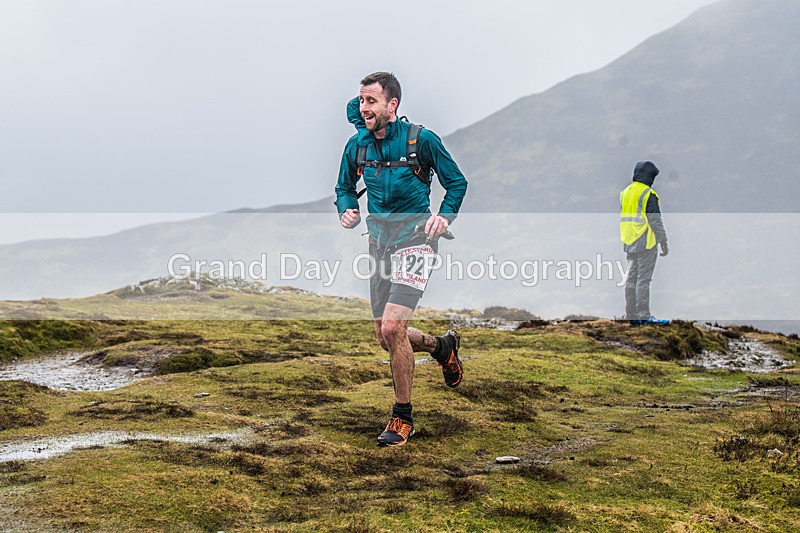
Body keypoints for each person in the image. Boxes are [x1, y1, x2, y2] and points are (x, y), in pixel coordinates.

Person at [335, 72, 468, 446]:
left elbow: (456, 181)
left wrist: (445, 215)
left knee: (393, 329)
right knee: (385, 336)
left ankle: (402, 418)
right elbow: (344, 187)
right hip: (378, 244)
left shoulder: (421, 140)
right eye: (361, 101)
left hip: (416, 241)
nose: (364, 108)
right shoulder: (356, 146)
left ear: (392, 105)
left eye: (372, 101)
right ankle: (443, 347)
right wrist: (347, 209)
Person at [620, 161, 669, 326]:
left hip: (629, 241)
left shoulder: (625, 193)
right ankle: (644, 315)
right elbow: (655, 220)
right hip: (646, 242)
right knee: (643, 279)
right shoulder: (648, 194)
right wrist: (663, 240)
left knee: (631, 279)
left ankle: (631, 316)